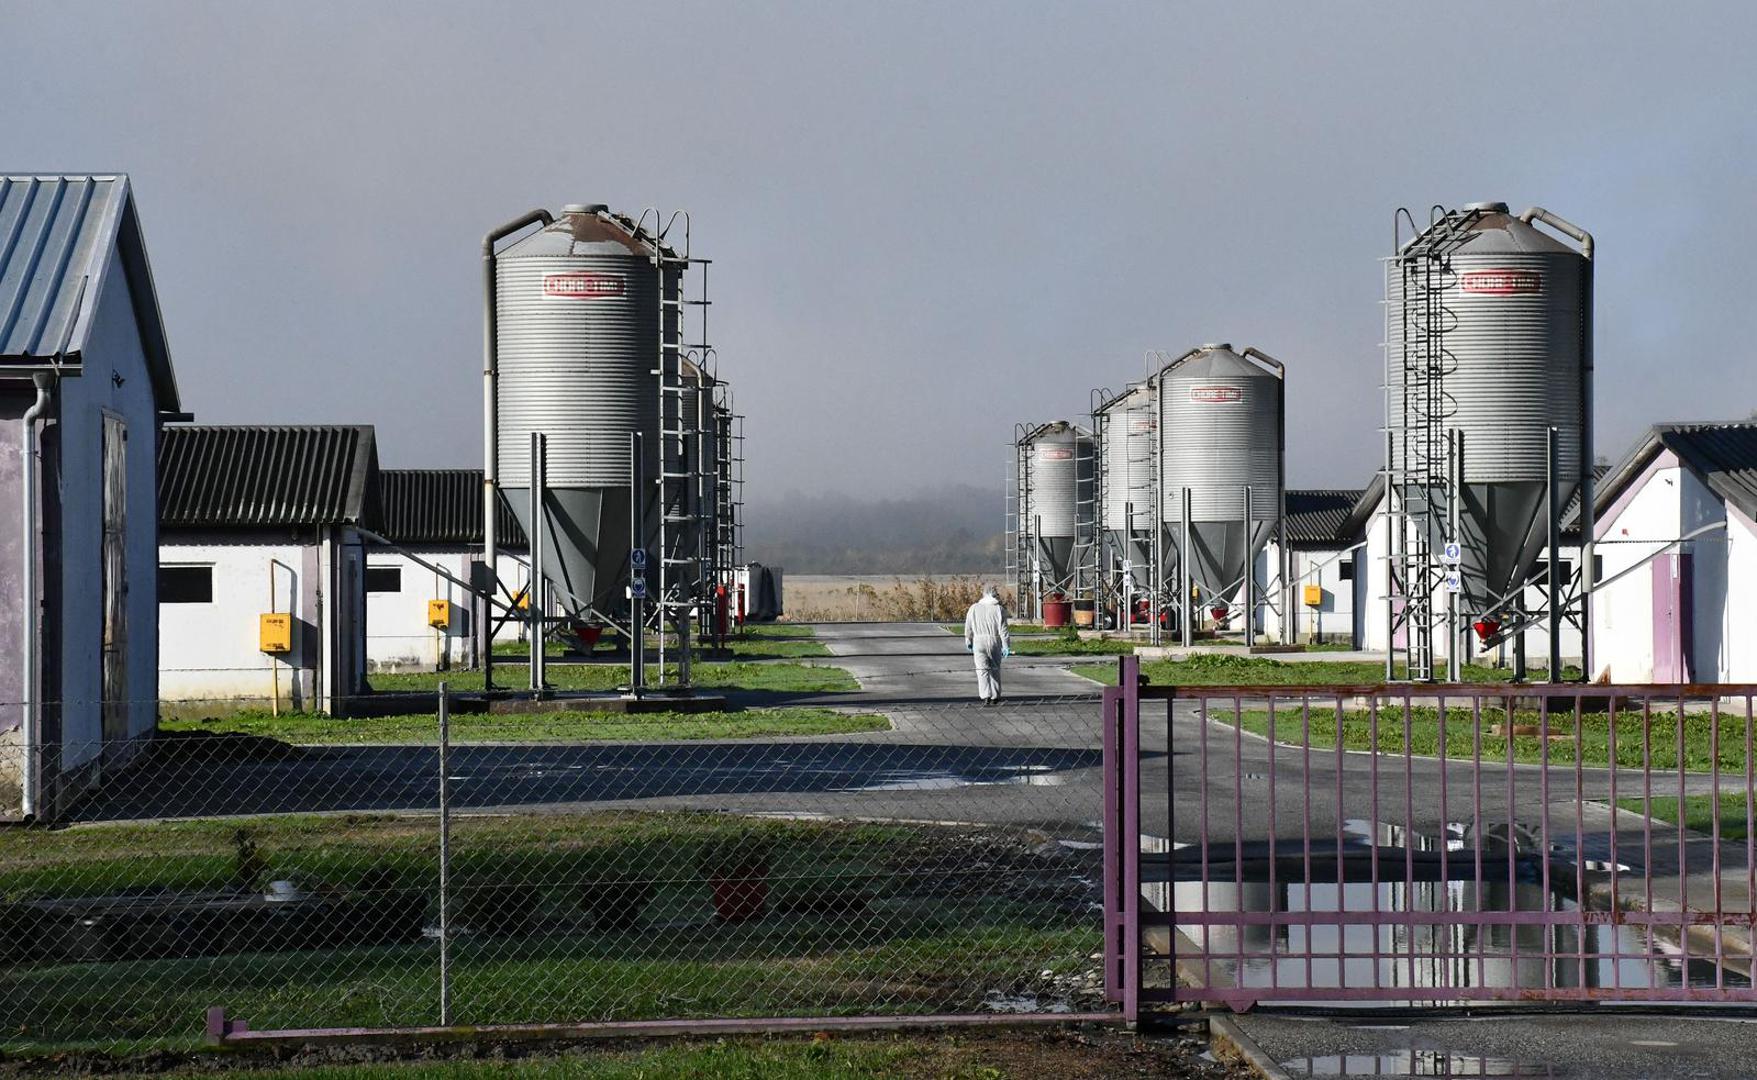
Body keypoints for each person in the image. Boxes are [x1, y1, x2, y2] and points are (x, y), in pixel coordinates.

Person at [963, 585, 1012, 705]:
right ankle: (995, 695)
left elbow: (968, 626)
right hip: (994, 640)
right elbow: (1003, 630)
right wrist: (1006, 646)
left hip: (979, 641)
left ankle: (985, 695)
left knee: (982, 669)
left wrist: (968, 640)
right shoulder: (998, 609)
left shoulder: (974, 608)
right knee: (995, 668)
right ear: (995, 595)